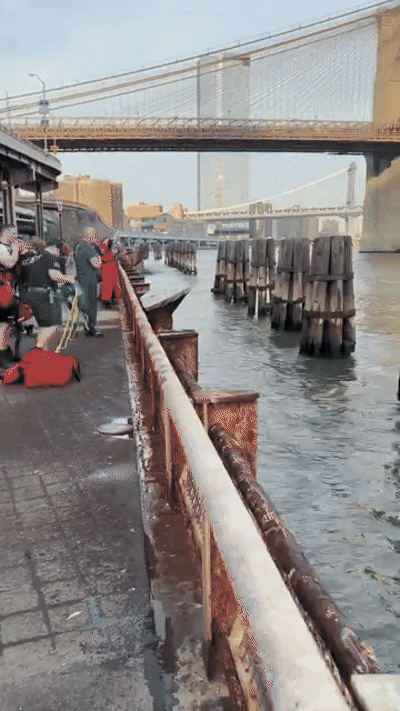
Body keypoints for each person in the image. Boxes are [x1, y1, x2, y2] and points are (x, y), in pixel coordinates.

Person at [19, 241, 75, 350]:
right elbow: (54, 275)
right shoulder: (50, 258)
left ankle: (43, 353)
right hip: (43, 295)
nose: (59, 254)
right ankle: (38, 350)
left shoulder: (31, 259)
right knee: (53, 324)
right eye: (59, 252)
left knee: (44, 325)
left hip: (30, 293)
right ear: (55, 249)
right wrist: (70, 278)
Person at [0, 225, 30, 368]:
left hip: (8, 291)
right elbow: (8, 262)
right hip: (2, 291)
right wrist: (17, 249)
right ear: (5, 233)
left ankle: (5, 351)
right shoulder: (1, 248)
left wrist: (23, 254)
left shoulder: (9, 248)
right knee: (2, 324)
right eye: (14, 233)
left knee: (7, 324)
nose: (16, 236)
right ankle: (2, 354)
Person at [73, 227, 103, 337]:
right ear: (90, 235)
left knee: (84, 303)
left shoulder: (78, 246)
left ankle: (83, 326)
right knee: (92, 304)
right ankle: (91, 329)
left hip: (81, 278)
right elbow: (97, 263)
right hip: (90, 279)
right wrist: (99, 256)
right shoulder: (88, 247)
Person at [99, 238, 122, 308]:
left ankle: (108, 300)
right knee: (109, 284)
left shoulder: (104, 246)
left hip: (107, 265)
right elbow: (116, 251)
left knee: (108, 284)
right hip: (109, 265)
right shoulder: (108, 247)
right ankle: (108, 301)